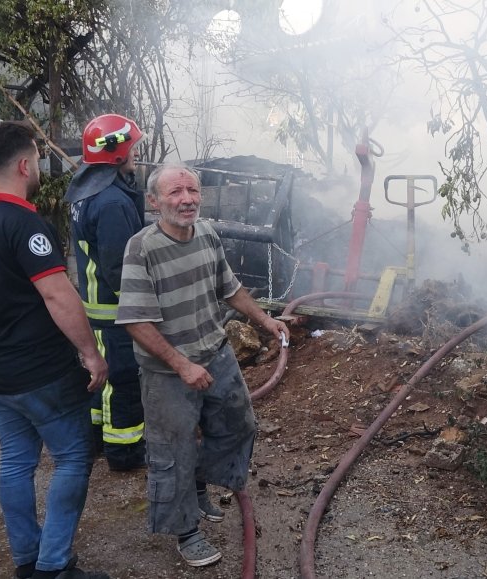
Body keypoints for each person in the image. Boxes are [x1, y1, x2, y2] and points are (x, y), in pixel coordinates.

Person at [0, 119, 111, 579]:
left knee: (17, 461)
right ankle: (54, 565)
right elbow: (59, 295)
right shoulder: (25, 223)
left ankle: (26, 561)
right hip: (44, 373)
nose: (37, 168)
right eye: (36, 160)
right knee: (74, 457)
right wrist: (92, 354)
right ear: (23, 164)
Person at [115, 163, 289, 567]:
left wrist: (265, 320)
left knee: (239, 424)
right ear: (154, 201)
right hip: (167, 371)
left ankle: (197, 486)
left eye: (192, 190)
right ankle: (186, 531)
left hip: (215, 351)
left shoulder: (207, 233)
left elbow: (229, 288)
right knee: (172, 451)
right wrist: (181, 365)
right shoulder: (142, 248)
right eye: (175, 192)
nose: (186, 199)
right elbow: (136, 322)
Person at [66, 114, 147, 471]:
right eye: (132, 148)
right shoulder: (112, 203)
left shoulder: (86, 192)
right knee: (123, 381)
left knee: (101, 382)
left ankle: (96, 439)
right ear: (115, 153)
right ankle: (125, 452)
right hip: (115, 312)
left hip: (95, 310)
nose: (136, 155)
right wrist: (142, 309)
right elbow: (120, 268)